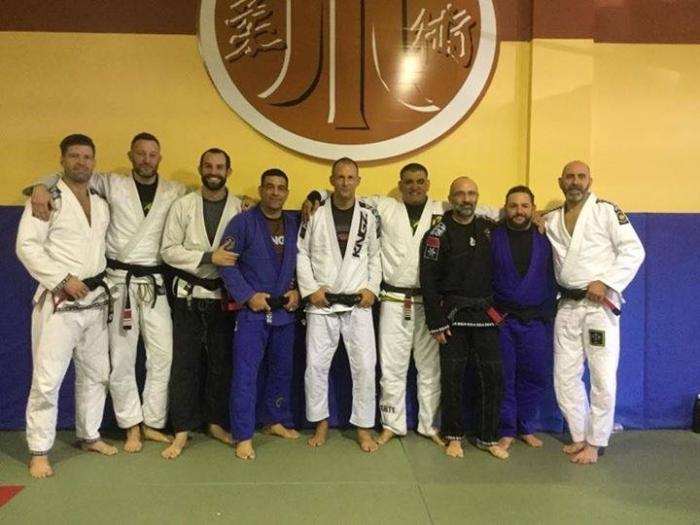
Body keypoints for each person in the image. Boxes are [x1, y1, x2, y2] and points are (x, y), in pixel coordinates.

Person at [304, 163, 499, 447]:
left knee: (430, 368)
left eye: (420, 181)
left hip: (430, 302)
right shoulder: (384, 207)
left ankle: (429, 425)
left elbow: (489, 211)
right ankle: (392, 424)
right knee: (392, 367)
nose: (414, 186)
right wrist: (316, 195)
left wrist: (534, 215)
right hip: (394, 300)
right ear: (400, 184)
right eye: (408, 182)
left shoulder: (444, 207)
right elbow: (346, 193)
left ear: (428, 184)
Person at [29, 132, 186, 452]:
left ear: (160, 158)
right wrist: (41, 186)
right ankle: (131, 425)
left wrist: (245, 202)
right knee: (122, 358)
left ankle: (153, 421)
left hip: (153, 283)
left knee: (163, 355)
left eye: (152, 154)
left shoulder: (174, 191)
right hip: (118, 282)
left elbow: (205, 198)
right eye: (140, 153)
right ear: (130, 156)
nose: (146, 159)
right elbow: (70, 177)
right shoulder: (111, 183)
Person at [16, 134, 117, 478]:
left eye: (87, 157)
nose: (81, 162)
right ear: (62, 160)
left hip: (94, 300)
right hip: (58, 302)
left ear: (94, 161)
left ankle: (90, 435)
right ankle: (39, 450)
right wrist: (61, 279)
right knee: (47, 380)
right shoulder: (47, 199)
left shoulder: (100, 202)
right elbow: (27, 246)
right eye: (74, 156)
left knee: (96, 374)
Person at [543, 160, 644, 464]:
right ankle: (579, 434)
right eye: (570, 177)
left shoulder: (606, 211)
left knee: (602, 376)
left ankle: (597, 441)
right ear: (560, 182)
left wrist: (607, 281)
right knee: (564, 376)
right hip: (567, 306)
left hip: (599, 307)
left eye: (581, 177)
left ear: (590, 181)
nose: (575, 182)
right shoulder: (551, 219)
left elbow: (634, 250)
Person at [159, 148, 242, 459]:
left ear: (228, 172)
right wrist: (209, 257)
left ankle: (215, 423)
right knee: (185, 363)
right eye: (208, 166)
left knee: (221, 363)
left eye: (220, 167)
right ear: (200, 168)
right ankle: (182, 428)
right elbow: (168, 250)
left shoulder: (240, 208)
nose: (213, 171)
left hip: (223, 296)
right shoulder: (183, 206)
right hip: (188, 296)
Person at [297, 157, 382, 453]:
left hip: (358, 304)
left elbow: (375, 256)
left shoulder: (368, 216)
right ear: (331, 180)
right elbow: (302, 253)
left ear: (358, 181)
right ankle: (321, 422)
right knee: (315, 366)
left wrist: (372, 289)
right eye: (340, 177)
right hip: (322, 304)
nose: (345, 182)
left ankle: (363, 426)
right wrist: (311, 290)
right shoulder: (315, 213)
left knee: (365, 367)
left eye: (350, 177)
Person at [420, 177, 508, 460]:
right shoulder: (438, 233)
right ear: (450, 198)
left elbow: (518, 223)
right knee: (452, 378)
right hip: (453, 315)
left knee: (493, 376)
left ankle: (488, 437)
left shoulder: (488, 228)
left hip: (486, 313)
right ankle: (454, 436)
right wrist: (435, 320)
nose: (466, 199)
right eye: (460, 194)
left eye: (471, 194)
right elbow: (428, 280)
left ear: (477, 197)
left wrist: (539, 219)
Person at [220, 168, 301, 460]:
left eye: (281, 188)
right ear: (261, 190)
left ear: (287, 193)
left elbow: (306, 261)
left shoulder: (294, 223)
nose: (275, 192)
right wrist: (246, 296)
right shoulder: (242, 222)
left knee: (281, 370)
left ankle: (274, 420)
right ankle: (243, 435)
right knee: (246, 374)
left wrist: (299, 291)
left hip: (285, 311)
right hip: (252, 311)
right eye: (270, 187)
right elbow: (226, 262)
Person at [491, 186, 556, 451]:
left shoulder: (547, 238)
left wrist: (547, 314)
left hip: (536, 320)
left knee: (534, 375)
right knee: (504, 376)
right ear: (505, 208)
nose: (519, 211)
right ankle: (506, 429)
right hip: (502, 320)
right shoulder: (492, 237)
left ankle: (525, 426)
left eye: (524, 206)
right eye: (513, 206)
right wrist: (492, 314)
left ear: (533, 208)